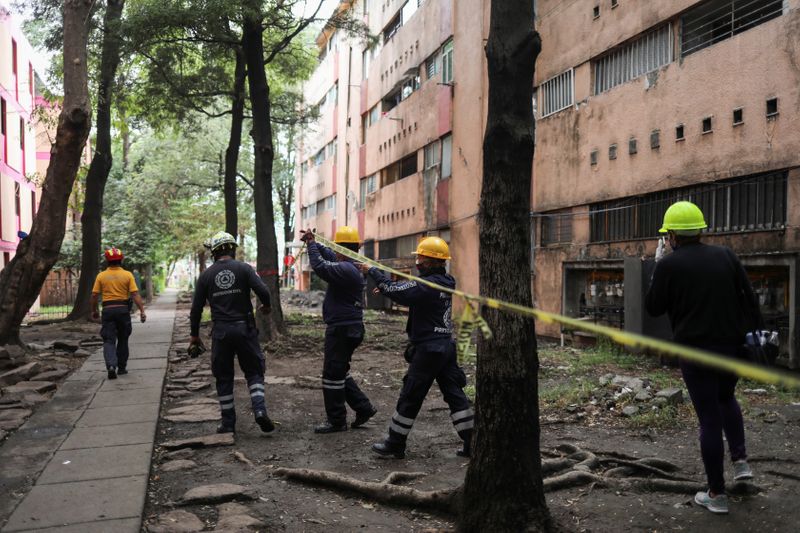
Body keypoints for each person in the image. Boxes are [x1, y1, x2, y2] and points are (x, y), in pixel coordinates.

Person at [645, 201, 759, 515]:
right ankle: (741, 463)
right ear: (700, 230)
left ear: (672, 236)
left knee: (709, 416)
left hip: (695, 351)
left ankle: (717, 494)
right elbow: (749, 299)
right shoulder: (726, 255)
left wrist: (658, 267)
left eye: (667, 235)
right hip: (731, 348)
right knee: (727, 399)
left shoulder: (669, 265)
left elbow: (652, 307)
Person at [358, 237, 474, 459]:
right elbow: (404, 290)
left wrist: (373, 271)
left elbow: (397, 289)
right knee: (455, 394)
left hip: (429, 350)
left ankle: (395, 443)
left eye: (421, 258)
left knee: (411, 395)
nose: (418, 262)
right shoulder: (445, 281)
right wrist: (389, 288)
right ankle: (473, 441)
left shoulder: (426, 285)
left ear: (431, 261)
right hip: (445, 347)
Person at [189, 231, 275, 435]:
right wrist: (267, 306)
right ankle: (260, 410)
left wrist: (194, 335)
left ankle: (228, 423)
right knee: (254, 371)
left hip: (221, 333)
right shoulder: (244, 269)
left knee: (224, 376)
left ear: (215, 252)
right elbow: (263, 291)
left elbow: (196, 309)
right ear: (232, 249)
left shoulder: (206, 275)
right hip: (245, 329)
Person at [300, 226, 377, 434]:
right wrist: (316, 242)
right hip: (349, 327)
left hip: (342, 329)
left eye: (335, 248)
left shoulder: (346, 269)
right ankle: (363, 407)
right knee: (339, 371)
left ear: (340, 249)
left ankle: (336, 420)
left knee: (332, 375)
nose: (333, 251)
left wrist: (311, 245)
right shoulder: (351, 265)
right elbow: (328, 255)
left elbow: (320, 266)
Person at [91, 247, 146, 379]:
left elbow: (94, 295)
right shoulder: (127, 275)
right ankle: (121, 368)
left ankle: (111, 365)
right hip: (123, 310)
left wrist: (94, 311)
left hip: (108, 311)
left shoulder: (101, 276)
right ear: (121, 260)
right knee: (123, 339)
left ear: (107, 261)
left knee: (109, 340)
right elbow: (134, 294)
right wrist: (142, 311)